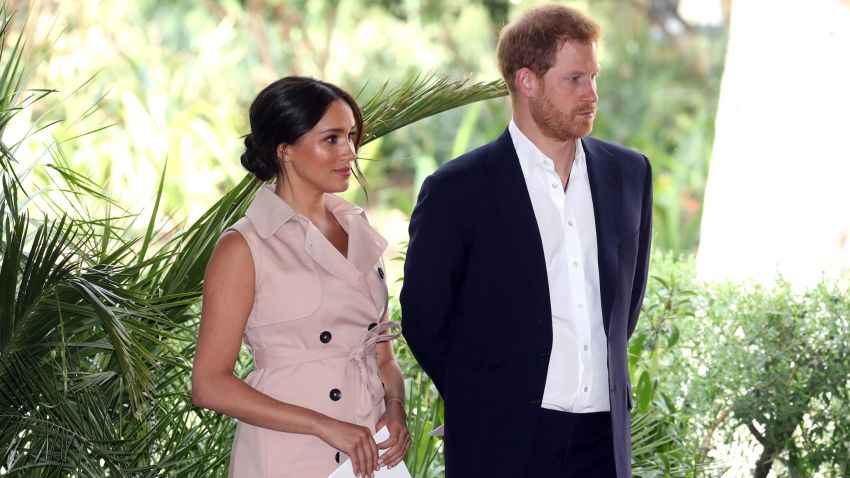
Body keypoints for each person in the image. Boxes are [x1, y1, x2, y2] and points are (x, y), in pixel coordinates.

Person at [400, 4, 652, 478]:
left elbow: (625, 306)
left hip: (604, 442)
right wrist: (485, 395)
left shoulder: (630, 173)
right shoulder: (458, 189)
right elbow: (424, 317)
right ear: (527, 81)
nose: (591, 94)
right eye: (574, 79)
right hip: (502, 440)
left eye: (594, 77)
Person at [192, 76, 411, 478]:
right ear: (285, 150)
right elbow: (209, 384)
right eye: (332, 139)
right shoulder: (245, 245)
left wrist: (395, 408)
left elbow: (384, 357)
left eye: (351, 136)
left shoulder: (358, 225)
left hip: (369, 452)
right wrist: (322, 424)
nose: (350, 151)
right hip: (289, 453)